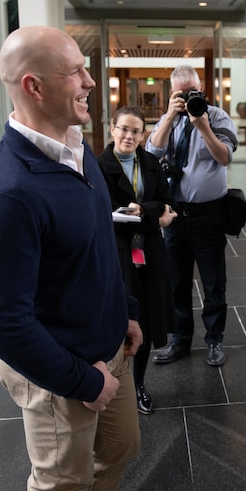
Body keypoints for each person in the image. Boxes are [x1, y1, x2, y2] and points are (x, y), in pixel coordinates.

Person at [0, 26, 142, 491]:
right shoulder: (9, 195)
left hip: (110, 346)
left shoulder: (77, 148)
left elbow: (96, 246)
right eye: (75, 72)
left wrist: (124, 310)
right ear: (34, 87)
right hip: (62, 373)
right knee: (61, 488)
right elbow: (2, 323)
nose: (90, 82)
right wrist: (83, 380)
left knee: (121, 448)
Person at [145, 65, 238, 367]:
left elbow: (224, 157)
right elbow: (151, 154)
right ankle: (180, 340)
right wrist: (170, 117)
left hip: (209, 216)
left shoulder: (217, 117)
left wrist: (203, 126)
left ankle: (214, 340)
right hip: (174, 217)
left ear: (201, 89)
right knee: (176, 283)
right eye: (180, 94)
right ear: (172, 93)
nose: (187, 98)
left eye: (191, 92)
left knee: (213, 283)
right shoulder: (167, 120)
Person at [98, 106, 178, 416]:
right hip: (116, 251)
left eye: (136, 131)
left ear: (143, 135)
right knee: (119, 315)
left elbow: (166, 201)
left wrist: (142, 211)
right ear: (112, 130)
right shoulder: (98, 166)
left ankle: (139, 384)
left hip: (149, 250)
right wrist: (153, 216)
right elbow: (106, 213)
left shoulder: (150, 162)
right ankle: (112, 381)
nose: (129, 136)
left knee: (145, 315)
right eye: (124, 129)